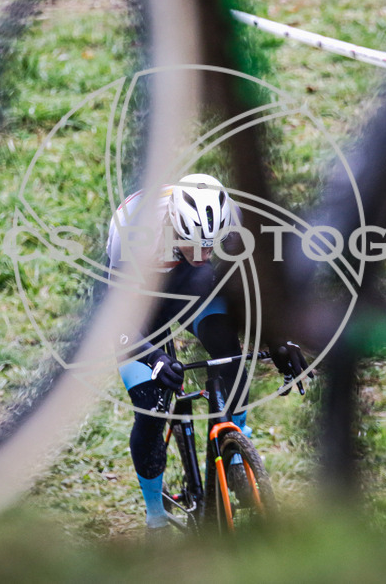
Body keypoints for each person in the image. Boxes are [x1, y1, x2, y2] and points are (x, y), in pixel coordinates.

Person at [105, 173, 308, 532]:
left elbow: (255, 291)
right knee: (151, 408)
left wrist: (280, 341)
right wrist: (153, 357)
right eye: (192, 244)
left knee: (228, 352)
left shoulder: (234, 223)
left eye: (209, 245)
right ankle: (156, 519)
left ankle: (233, 452)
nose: (202, 254)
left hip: (197, 287)